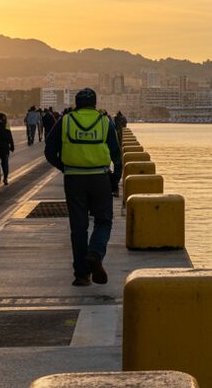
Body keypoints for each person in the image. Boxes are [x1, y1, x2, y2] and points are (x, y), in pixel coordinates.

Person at [44, 88, 121, 287]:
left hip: (74, 179)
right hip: (99, 177)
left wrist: (65, 167)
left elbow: (49, 151)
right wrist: (115, 180)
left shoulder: (66, 120)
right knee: (104, 220)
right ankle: (95, 253)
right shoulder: (105, 121)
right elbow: (117, 156)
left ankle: (81, 274)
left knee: (78, 227)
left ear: (76, 103)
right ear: (95, 103)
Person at [0, 112, 15, 186]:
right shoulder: (6, 126)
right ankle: (5, 178)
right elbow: (9, 136)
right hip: (4, 148)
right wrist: (12, 145)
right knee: (5, 164)